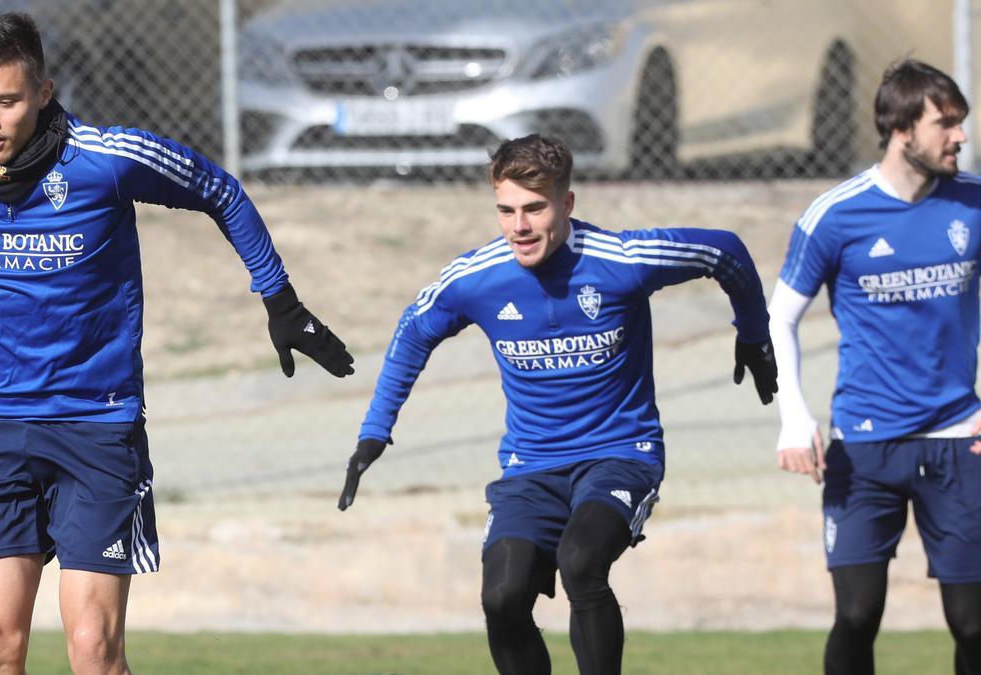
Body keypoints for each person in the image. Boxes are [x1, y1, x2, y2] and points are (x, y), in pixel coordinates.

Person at [0, 12, 353, 674]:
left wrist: (281, 300)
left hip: (97, 425)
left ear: (42, 92)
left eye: (6, 100)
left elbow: (220, 189)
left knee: (94, 649)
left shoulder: (107, 160)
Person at [337, 133, 777, 674]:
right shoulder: (476, 278)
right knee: (501, 596)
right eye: (505, 210)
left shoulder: (622, 261)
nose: (518, 226)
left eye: (534, 208)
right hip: (531, 466)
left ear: (566, 203)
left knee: (580, 561)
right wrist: (375, 430)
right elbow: (413, 332)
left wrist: (754, 333)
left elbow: (724, 249)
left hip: (622, 453)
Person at [770, 58, 981, 675]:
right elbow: (777, 319)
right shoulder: (836, 215)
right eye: (945, 123)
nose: (960, 136)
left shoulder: (972, 204)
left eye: (961, 123)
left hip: (957, 443)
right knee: (858, 616)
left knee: (973, 624)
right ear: (900, 128)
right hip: (864, 447)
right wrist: (793, 417)